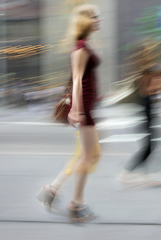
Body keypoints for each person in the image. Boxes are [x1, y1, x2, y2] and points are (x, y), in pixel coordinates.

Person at [36, 4, 101, 222]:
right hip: (84, 107)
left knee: (87, 155)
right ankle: (76, 203)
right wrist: (76, 109)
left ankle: (57, 193)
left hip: (88, 105)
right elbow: (76, 78)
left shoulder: (84, 45)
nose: (98, 20)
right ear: (85, 21)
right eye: (95, 17)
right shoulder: (81, 46)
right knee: (87, 156)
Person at [117, 39, 161, 186]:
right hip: (146, 113)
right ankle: (127, 173)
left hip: (148, 111)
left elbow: (151, 91)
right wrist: (160, 84)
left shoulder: (147, 72)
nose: (156, 54)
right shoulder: (146, 73)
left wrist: (159, 86)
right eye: (153, 52)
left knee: (150, 145)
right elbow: (148, 91)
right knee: (149, 146)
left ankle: (142, 174)